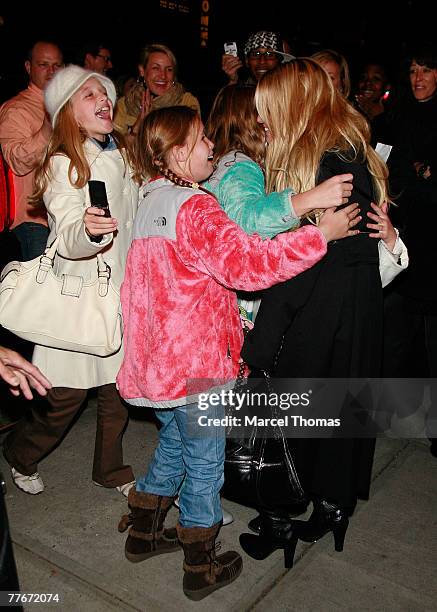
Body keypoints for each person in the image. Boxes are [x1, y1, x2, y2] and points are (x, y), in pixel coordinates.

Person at [116, 105, 360, 600]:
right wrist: (319, 236)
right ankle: (200, 563)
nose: (213, 145)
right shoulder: (196, 208)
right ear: (180, 154)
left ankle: (143, 529)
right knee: (205, 463)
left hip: (158, 366)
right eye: (203, 138)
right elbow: (249, 265)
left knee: (174, 443)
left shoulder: (148, 203)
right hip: (198, 363)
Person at [238, 58, 397, 567]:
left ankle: (280, 516)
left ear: (292, 106)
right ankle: (332, 508)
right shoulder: (350, 150)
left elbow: (305, 256)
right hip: (356, 304)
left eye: (268, 110)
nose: (262, 121)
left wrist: (265, 336)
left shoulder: (322, 162)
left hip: (321, 305)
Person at [2, 65, 138, 497]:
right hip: (79, 295)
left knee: (118, 393)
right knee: (63, 399)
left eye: (104, 92)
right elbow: (66, 234)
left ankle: (110, 469)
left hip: (121, 294)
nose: (102, 99)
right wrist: (89, 232)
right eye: (88, 95)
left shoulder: (123, 153)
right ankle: (19, 454)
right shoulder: (65, 162)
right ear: (68, 114)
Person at [204, 83, 354, 321]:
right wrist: (306, 200)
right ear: (251, 120)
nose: (267, 120)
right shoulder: (241, 166)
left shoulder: (223, 161)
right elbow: (245, 221)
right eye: (264, 112)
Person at [383, 43, 437, 458]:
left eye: (427, 69)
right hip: (401, 236)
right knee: (401, 332)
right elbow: (382, 163)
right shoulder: (396, 115)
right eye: (414, 69)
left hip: (434, 239)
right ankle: (403, 412)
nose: (418, 77)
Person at [0, 40, 63, 261]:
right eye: (44, 64)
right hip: (34, 222)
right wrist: (47, 129)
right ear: (29, 67)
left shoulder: (66, 107)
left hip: (64, 217)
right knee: (38, 292)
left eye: (57, 65)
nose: (52, 71)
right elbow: (16, 160)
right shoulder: (16, 108)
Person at [114, 43, 200, 136]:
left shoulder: (187, 102)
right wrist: (137, 128)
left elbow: (192, 142)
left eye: (169, 69)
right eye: (156, 68)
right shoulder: (124, 105)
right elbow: (117, 148)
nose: (163, 76)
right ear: (142, 70)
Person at [222, 31, 294, 86]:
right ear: (247, 61)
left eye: (270, 54)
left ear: (280, 61)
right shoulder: (240, 91)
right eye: (256, 54)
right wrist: (233, 81)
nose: (262, 61)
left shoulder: (290, 93)